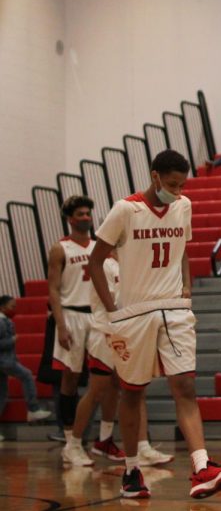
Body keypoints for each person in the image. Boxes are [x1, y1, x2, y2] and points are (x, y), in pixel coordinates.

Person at [89, 150, 221, 499]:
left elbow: (182, 250)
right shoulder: (125, 209)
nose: (177, 191)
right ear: (155, 176)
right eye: (171, 184)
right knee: (133, 391)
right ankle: (131, 471)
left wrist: (186, 284)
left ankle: (202, 466)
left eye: (182, 185)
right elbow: (96, 261)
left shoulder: (183, 206)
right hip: (134, 312)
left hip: (174, 308)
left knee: (186, 386)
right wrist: (113, 309)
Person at [69, 250, 174, 468]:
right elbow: (115, 300)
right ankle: (73, 445)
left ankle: (142, 447)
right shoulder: (105, 265)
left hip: (128, 332)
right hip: (106, 332)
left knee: (135, 389)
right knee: (97, 390)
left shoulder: (130, 265)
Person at [47, 195, 118, 466]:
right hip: (73, 314)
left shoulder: (100, 247)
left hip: (98, 316)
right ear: (70, 218)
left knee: (106, 378)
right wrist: (61, 324)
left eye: (88, 213)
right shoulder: (60, 248)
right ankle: (70, 439)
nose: (86, 217)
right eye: (80, 214)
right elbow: (53, 289)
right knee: (71, 378)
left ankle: (101, 439)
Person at [0, 295, 52, 439]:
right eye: (12, 306)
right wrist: (12, 340)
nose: (15, 309)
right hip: (5, 361)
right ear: (2, 307)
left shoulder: (5, 320)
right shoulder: (2, 322)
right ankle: (33, 409)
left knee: (2, 394)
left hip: (5, 360)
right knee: (27, 375)